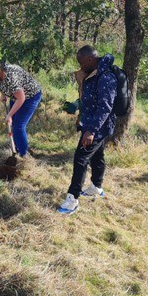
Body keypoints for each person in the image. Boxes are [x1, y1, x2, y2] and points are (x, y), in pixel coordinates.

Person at [58, 45, 117, 215]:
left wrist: (91, 131)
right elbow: (89, 98)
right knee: (97, 155)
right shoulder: (93, 73)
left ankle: (72, 199)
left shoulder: (106, 77)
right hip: (91, 123)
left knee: (80, 159)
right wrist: (77, 106)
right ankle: (97, 187)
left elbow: (105, 108)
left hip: (98, 126)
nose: (80, 67)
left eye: (81, 63)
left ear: (91, 59)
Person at [0, 53, 42, 157]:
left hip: (30, 96)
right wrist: (3, 94)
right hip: (16, 96)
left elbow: (21, 97)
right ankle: (17, 149)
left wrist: (9, 115)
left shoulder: (11, 77)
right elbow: (4, 84)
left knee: (18, 126)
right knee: (14, 125)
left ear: (0, 65)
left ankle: (24, 156)